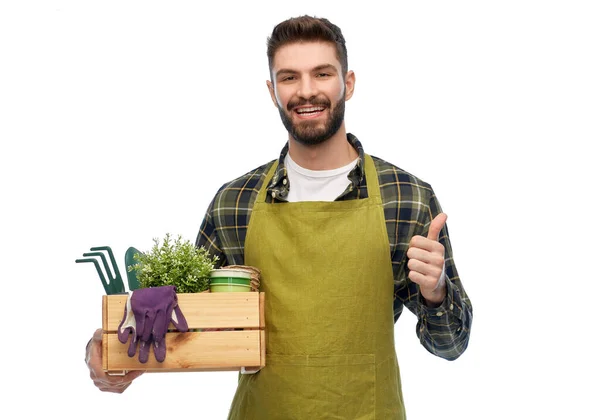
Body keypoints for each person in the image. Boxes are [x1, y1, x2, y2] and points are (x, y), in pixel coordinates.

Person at [86, 15, 473, 419]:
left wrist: (437, 291)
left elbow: (450, 347)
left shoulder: (406, 198)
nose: (307, 91)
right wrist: (109, 344)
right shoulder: (234, 203)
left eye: (322, 73)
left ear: (349, 83)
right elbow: (187, 326)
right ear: (272, 91)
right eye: (289, 78)